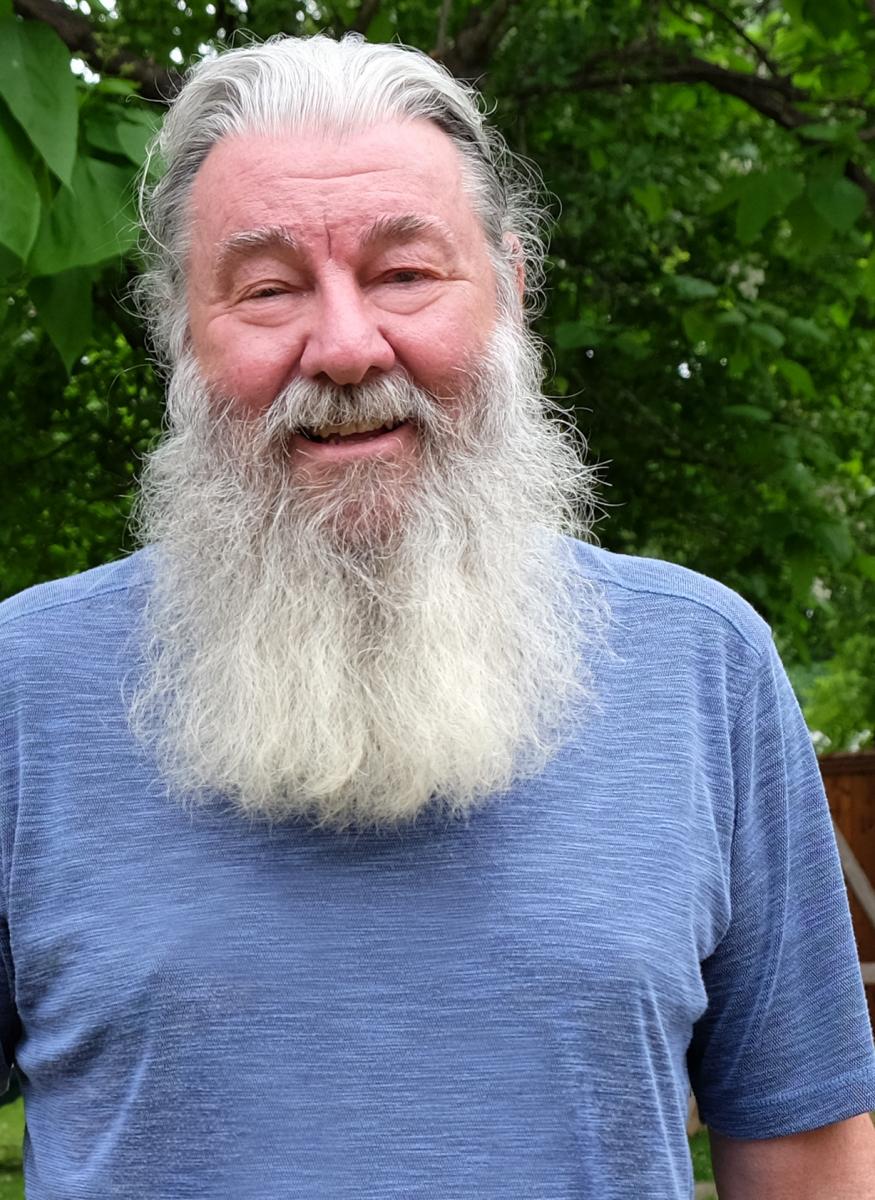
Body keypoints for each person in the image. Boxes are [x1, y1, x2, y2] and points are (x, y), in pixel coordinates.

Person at [1, 33, 873, 1200]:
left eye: (404, 273)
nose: (347, 346)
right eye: (267, 289)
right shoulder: (22, 687)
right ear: (180, 331)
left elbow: (808, 1158)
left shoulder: (703, 667)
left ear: (511, 285)